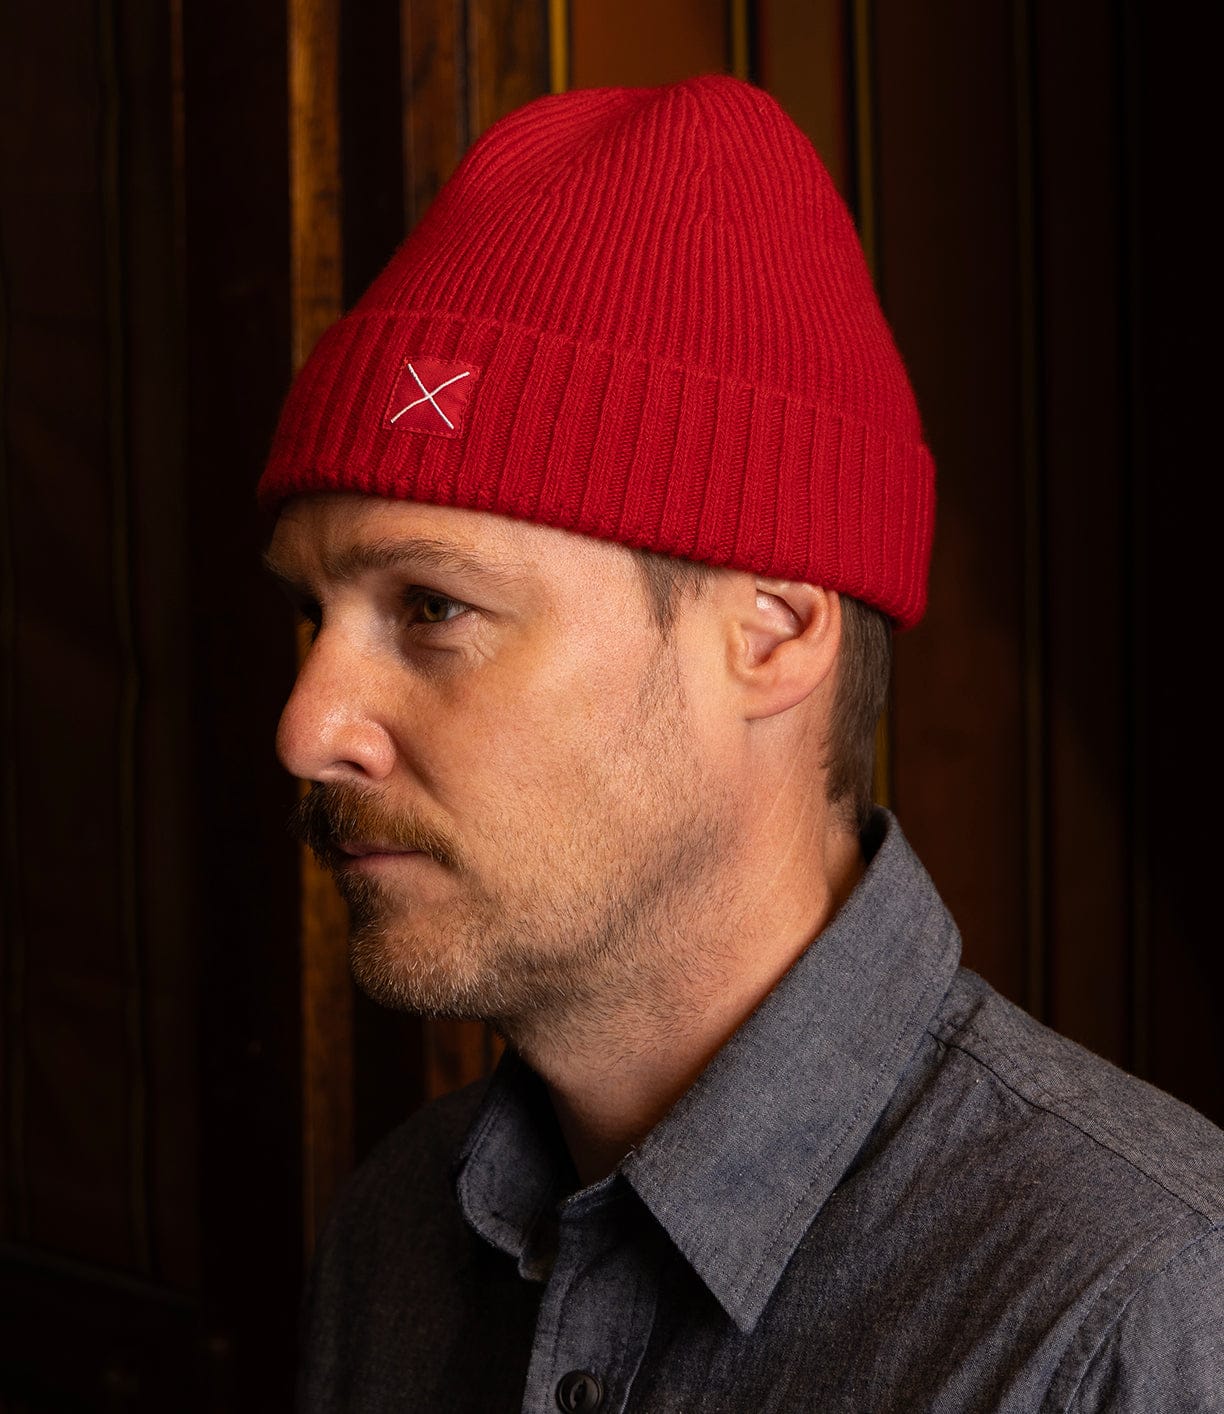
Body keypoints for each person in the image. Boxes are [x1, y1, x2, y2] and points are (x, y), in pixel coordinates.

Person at [259, 76, 1223, 1412]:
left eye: (433, 608)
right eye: (313, 614)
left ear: (771, 635)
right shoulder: (398, 1236)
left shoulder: (1132, 1309)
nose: (308, 727)